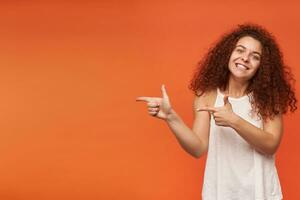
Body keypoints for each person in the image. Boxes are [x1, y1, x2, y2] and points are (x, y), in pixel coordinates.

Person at [136, 23, 297, 200]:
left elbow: (271, 145)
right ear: (228, 53)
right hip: (220, 193)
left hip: (261, 193)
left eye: (255, 56)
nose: (245, 58)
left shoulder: (267, 98)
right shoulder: (207, 96)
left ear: (262, 66)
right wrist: (170, 117)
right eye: (240, 50)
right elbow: (198, 148)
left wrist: (234, 120)